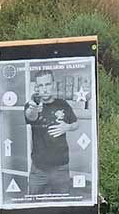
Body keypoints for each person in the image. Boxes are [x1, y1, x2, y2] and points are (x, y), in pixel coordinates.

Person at [21, 68, 78, 196]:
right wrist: (34, 108)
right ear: (37, 88)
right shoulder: (31, 105)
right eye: (41, 85)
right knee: (33, 204)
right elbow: (31, 116)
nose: (44, 89)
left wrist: (68, 127)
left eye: (47, 84)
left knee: (62, 204)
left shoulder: (63, 104)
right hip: (38, 169)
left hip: (61, 168)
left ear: (53, 84)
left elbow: (76, 124)